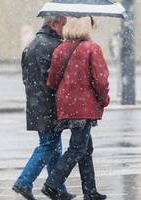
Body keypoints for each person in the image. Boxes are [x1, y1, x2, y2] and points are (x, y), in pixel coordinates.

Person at [42, 16, 110, 200]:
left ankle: (90, 191)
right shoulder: (92, 48)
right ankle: (52, 184)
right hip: (84, 106)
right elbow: (101, 80)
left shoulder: (61, 48)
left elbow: (52, 81)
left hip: (67, 105)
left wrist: (67, 93)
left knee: (86, 148)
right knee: (77, 148)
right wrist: (104, 99)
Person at [12, 16, 75, 200]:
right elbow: (58, 80)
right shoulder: (54, 46)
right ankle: (24, 182)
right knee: (48, 145)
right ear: (54, 24)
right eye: (63, 25)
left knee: (54, 146)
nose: (64, 29)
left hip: (36, 103)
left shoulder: (32, 45)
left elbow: (26, 77)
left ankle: (58, 189)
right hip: (50, 105)